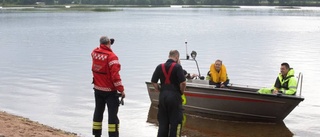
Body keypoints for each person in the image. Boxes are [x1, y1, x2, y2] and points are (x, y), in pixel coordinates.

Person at [91, 36, 125, 137]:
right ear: (109, 42)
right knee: (112, 116)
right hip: (110, 91)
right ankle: (113, 135)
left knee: (98, 111)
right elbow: (115, 76)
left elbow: (97, 51)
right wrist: (121, 90)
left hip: (97, 89)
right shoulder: (112, 57)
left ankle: (96, 134)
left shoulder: (94, 53)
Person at [151, 50, 186, 137]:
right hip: (174, 96)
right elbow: (183, 83)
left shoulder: (160, 66)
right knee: (176, 123)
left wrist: (159, 89)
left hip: (163, 96)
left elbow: (153, 82)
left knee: (163, 123)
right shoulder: (178, 67)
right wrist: (181, 92)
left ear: (169, 56)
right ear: (177, 57)